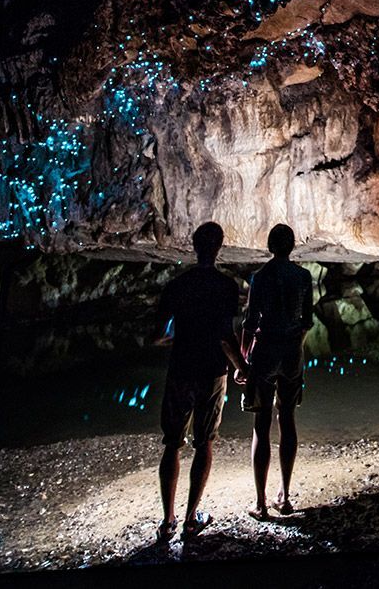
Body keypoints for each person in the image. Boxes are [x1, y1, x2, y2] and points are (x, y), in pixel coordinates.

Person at [152, 221, 244, 543]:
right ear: (219, 247)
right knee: (205, 442)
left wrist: (179, 336)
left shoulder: (177, 286)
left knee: (172, 444)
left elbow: (159, 335)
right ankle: (192, 519)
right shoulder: (226, 287)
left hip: (181, 369)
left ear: (194, 246)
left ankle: (167, 522)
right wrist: (241, 365)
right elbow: (225, 334)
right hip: (212, 372)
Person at [242, 222, 314, 517]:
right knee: (288, 418)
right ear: (292, 246)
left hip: (267, 349)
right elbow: (307, 320)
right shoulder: (304, 276)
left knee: (261, 423)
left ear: (270, 246)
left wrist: (245, 359)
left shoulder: (260, 277)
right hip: (291, 350)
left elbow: (249, 321)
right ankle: (284, 496)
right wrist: (296, 342)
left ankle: (260, 503)